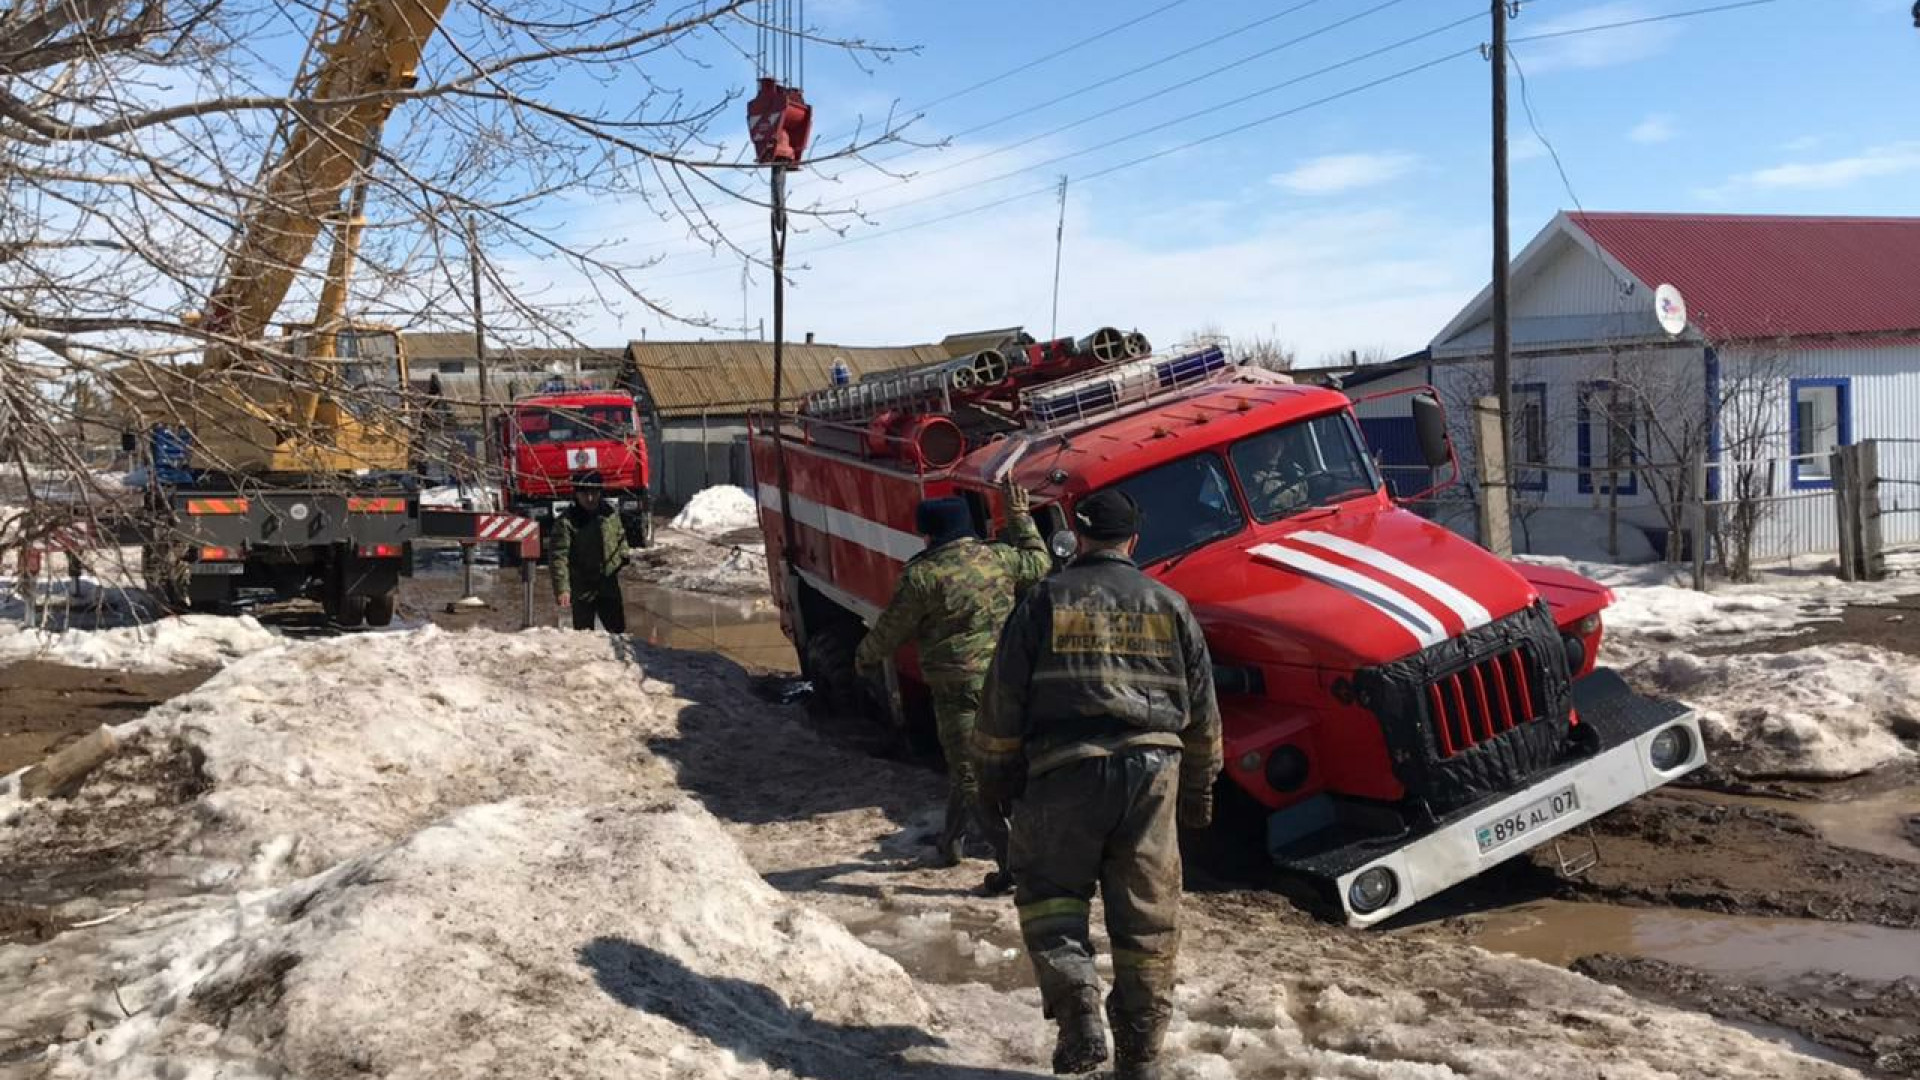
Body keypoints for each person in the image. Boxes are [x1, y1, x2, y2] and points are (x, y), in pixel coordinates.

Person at [973, 489, 1221, 1079]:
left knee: (1050, 899)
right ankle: (1140, 1060)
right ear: (1134, 541)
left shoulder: (1041, 601)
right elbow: (1204, 718)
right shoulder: (1171, 605)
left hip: (1063, 770)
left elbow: (1001, 704)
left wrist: (994, 780)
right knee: (1148, 922)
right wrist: (1198, 793)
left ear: (1078, 539)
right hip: (1153, 773)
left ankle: (1078, 1005)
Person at [855, 481, 1050, 892]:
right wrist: (1019, 518)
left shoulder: (923, 576)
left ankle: (1012, 865)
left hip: (956, 691)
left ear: (928, 534)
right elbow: (1039, 563)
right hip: (1006, 685)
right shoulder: (998, 558)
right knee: (977, 770)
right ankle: (950, 844)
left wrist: (863, 657)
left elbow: (890, 631)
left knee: (969, 777)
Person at [551, 470, 629, 632]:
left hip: (608, 585)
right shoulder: (567, 522)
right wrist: (562, 589)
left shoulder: (609, 514)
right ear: (577, 495)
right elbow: (559, 557)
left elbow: (620, 537)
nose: (590, 498)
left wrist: (622, 557)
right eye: (585, 494)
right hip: (582, 589)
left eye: (594, 493)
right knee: (584, 636)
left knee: (617, 634)